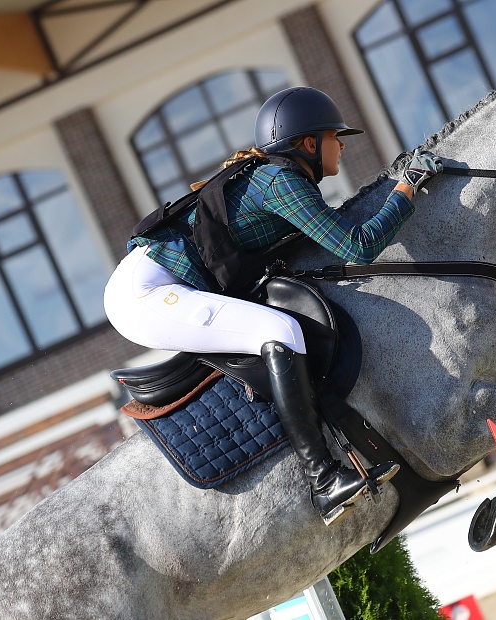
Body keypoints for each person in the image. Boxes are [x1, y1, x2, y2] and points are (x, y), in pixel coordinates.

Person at [104, 86, 443, 526]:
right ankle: (323, 479)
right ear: (308, 144)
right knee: (280, 332)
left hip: (156, 281)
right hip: (145, 293)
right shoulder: (282, 181)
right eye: (333, 136)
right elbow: (357, 246)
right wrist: (406, 189)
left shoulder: (276, 176)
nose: (341, 144)